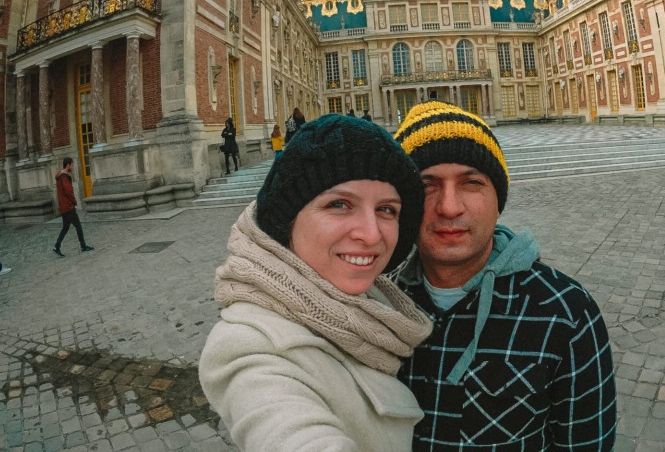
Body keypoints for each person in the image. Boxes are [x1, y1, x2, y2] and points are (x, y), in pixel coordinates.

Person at [199, 114, 433, 452]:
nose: (371, 234)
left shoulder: (368, 304)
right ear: (288, 220)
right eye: (339, 204)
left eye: (387, 210)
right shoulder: (249, 347)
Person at [393, 101, 617, 451]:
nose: (449, 206)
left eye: (471, 182)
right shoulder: (373, 303)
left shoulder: (567, 315)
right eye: (427, 185)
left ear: (499, 200)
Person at [53, 157, 95, 257]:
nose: (72, 167)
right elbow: (68, 192)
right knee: (78, 225)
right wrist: (74, 202)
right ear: (68, 165)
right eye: (72, 165)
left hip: (63, 206)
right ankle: (83, 246)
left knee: (66, 227)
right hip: (68, 206)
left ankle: (57, 246)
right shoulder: (64, 177)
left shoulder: (60, 176)